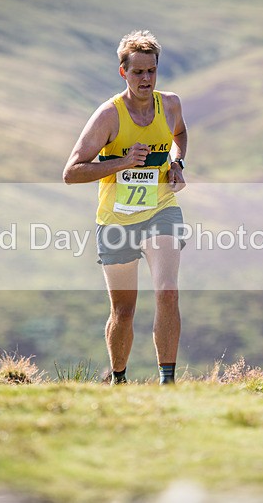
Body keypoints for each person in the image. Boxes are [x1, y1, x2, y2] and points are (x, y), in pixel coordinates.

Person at [63, 30, 188, 385]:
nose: (146, 79)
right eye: (138, 73)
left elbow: (179, 135)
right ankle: (119, 379)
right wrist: (121, 163)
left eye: (151, 71)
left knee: (167, 291)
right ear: (123, 73)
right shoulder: (108, 116)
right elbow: (71, 173)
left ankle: (168, 382)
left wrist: (178, 163)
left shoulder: (171, 104)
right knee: (124, 310)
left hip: (161, 210)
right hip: (116, 221)